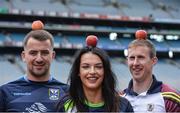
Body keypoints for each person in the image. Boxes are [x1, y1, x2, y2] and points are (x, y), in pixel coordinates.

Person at [56, 35, 134, 112]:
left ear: (105, 71)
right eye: (86, 67)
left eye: (98, 67)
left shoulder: (123, 105)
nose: (92, 72)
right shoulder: (66, 105)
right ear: (78, 72)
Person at [0, 30, 68, 112]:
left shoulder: (67, 93)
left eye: (45, 53)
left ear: (52, 56)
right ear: (24, 56)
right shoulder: (5, 92)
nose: (39, 59)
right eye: (33, 53)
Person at [122, 36, 180, 112]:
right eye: (132, 58)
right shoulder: (119, 99)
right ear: (127, 61)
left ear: (153, 61)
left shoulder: (170, 98)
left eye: (141, 57)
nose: (135, 63)